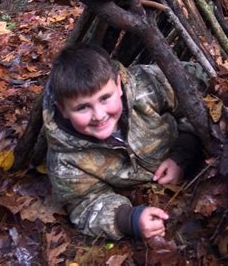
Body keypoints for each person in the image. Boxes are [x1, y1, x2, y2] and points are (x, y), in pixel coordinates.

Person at [43, 44, 205, 240]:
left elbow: (197, 91)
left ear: (118, 86)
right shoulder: (65, 159)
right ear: (63, 110)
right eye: (83, 107)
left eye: (105, 98)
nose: (99, 115)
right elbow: (84, 205)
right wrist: (129, 220)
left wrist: (183, 153)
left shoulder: (147, 87)